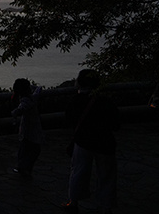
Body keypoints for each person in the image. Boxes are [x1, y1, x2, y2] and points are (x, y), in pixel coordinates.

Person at [61, 69, 119, 214]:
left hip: (83, 142)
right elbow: (115, 122)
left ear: (79, 82)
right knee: (107, 175)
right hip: (105, 143)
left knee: (78, 172)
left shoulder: (75, 101)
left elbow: (69, 121)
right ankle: (106, 207)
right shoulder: (105, 101)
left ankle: (73, 202)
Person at [11, 78, 44, 176]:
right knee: (33, 149)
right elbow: (39, 89)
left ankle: (22, 167)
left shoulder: (26, 100)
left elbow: (21, 108)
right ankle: (25, 167)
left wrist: (14, 113)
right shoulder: (31, 99)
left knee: (25, 149)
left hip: (27, 129)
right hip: (32, 129)